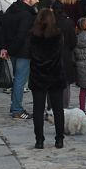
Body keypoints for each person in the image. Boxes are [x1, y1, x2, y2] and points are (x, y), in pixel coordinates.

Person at [28, 8, 66, 149]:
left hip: (38, 75)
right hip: (55, 74)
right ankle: (59, 139)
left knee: (38, 109)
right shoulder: (58, 35)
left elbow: (30, 53)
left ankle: (39, 140)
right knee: (58, 109)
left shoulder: (33, 35)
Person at [0, 0, 40, 120]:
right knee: (20, 81)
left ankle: (15, 106)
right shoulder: (27, 15)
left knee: (17, 79)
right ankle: (17, 109)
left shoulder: (11, 10)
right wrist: (12, 49)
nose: (38, 1)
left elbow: (4, 30)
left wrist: (6, 48)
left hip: (14, 49)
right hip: (23, 51)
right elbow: (22, 35)